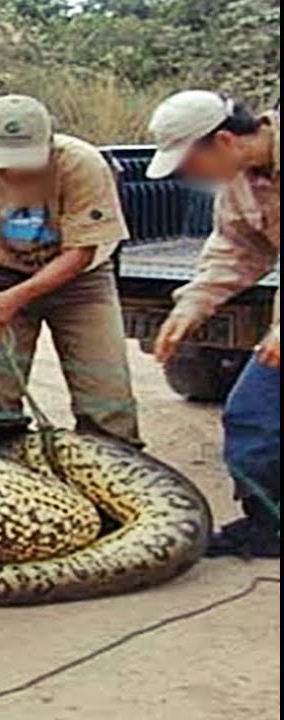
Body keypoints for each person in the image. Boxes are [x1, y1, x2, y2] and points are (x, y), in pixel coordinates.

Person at [0, 94, 142, 451]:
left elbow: (81, 252)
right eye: (2, 163)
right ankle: (11, 474)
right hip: (1, 271)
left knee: (105, 398)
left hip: (80, 280)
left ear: (49, 143)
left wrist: (17, 298)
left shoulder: (81, 163)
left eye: (24, 161)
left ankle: (115, 480)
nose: (14, 173)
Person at [146, 91, 280, 559]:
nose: (187, 177)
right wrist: (190, 307)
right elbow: (236, 250)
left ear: (222, 141)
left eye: (188, 165)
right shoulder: (240, 182)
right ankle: (269, 526)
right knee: (254, 415)